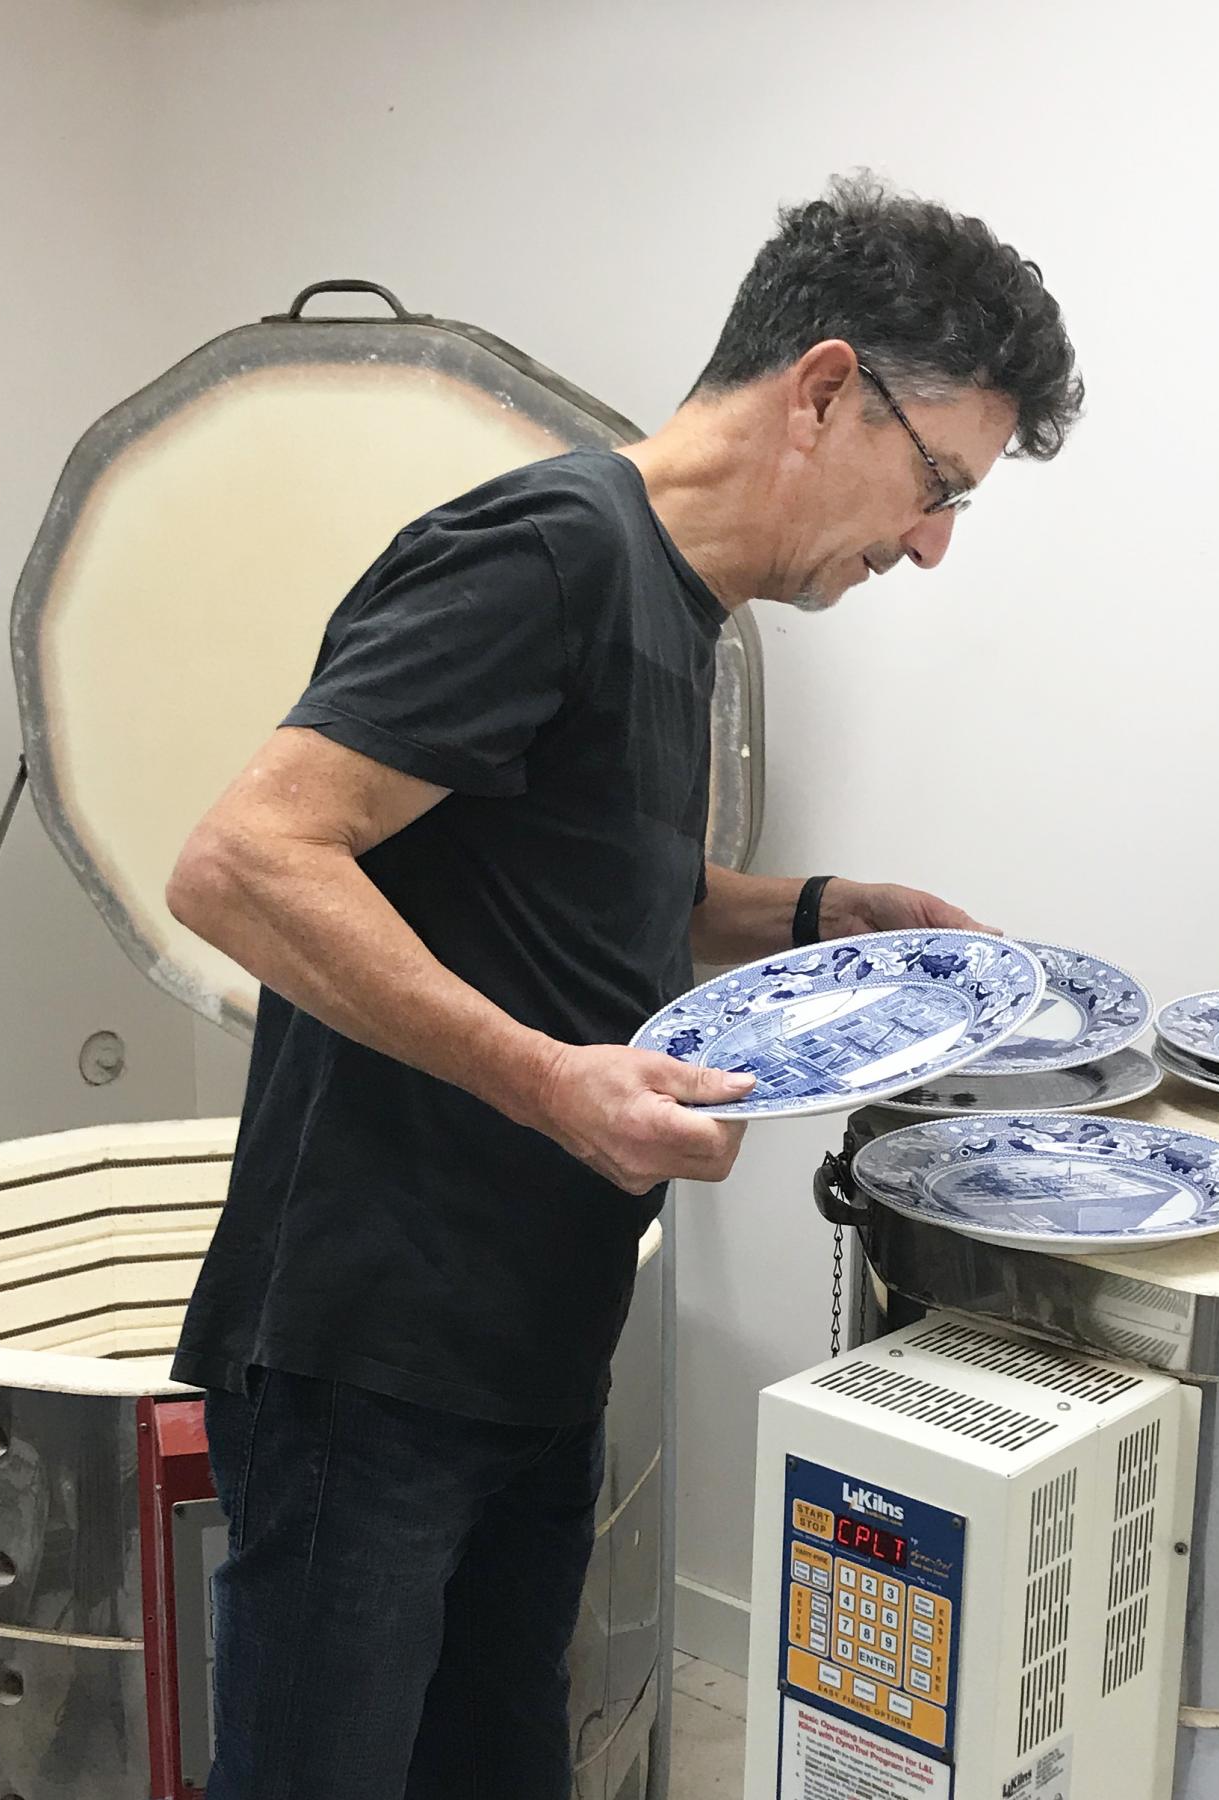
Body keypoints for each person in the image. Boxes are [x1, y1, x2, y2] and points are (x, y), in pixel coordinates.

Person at [165, 171, 1082, 1798]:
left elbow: (566, 874)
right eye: (939, 482)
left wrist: (806, 911)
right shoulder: (547, 554)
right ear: (822, 390)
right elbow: (245, 862)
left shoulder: (681, 604)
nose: (932, 545)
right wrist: (553, 1078)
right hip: (371, 1342)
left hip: (528, 1328)